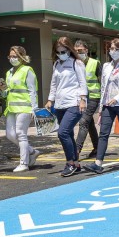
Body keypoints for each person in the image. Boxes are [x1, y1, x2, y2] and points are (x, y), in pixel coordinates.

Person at [84, 39, 119, 174]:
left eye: (115, 49)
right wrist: (101, 108)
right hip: (108, 104)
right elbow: (104, 88)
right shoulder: (107, 66)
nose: (112, 51)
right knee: (103, 134)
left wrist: (117, 98)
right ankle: (98, 163)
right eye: (111, 49)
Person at [46, 37, 87, 177]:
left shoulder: (77, 63)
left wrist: (83, 100)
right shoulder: (56, 64)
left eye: (63, 51)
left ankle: (70, 163)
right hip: (59, 104)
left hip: (73, 103)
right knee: (68, 133)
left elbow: (83, 83)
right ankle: (76, 163)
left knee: (62, 132)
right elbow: (53, 84)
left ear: (69, 49)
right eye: (58, 51)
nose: (61, 53)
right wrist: (50, 100)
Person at [1, 46, 40, 172]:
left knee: (20, 134)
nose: (12, 59)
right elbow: (7, 93)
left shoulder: (27, 70)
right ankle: (32, 152)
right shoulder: (9, 72)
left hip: (25, 107)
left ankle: (24, 163)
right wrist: (2, 90)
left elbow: (32, 91)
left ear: (22, 57)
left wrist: (34, 108)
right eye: (10, 56)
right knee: (10, 135)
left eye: (15, 56)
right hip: (11, 108)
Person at [74, 40, 101, 159]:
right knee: (89, 123)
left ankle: (76, 150)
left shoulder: (95, 63)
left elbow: (103, 81)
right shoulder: (74, 64)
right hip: (81, 99)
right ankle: (97, 148)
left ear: (86, 51)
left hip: (93, 97)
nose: (78, 53)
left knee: (83, 122)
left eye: (80, 51)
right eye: (75, 51)